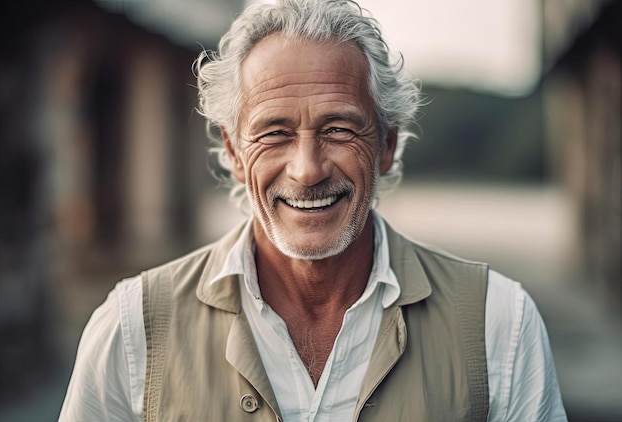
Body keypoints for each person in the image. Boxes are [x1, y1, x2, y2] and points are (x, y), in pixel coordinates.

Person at [59, 0, 567, 420]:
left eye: (339, 129)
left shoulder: (498, 322)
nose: (307, 169)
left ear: (387, 145)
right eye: (274, 132)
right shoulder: (132, 329)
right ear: (234, 152)